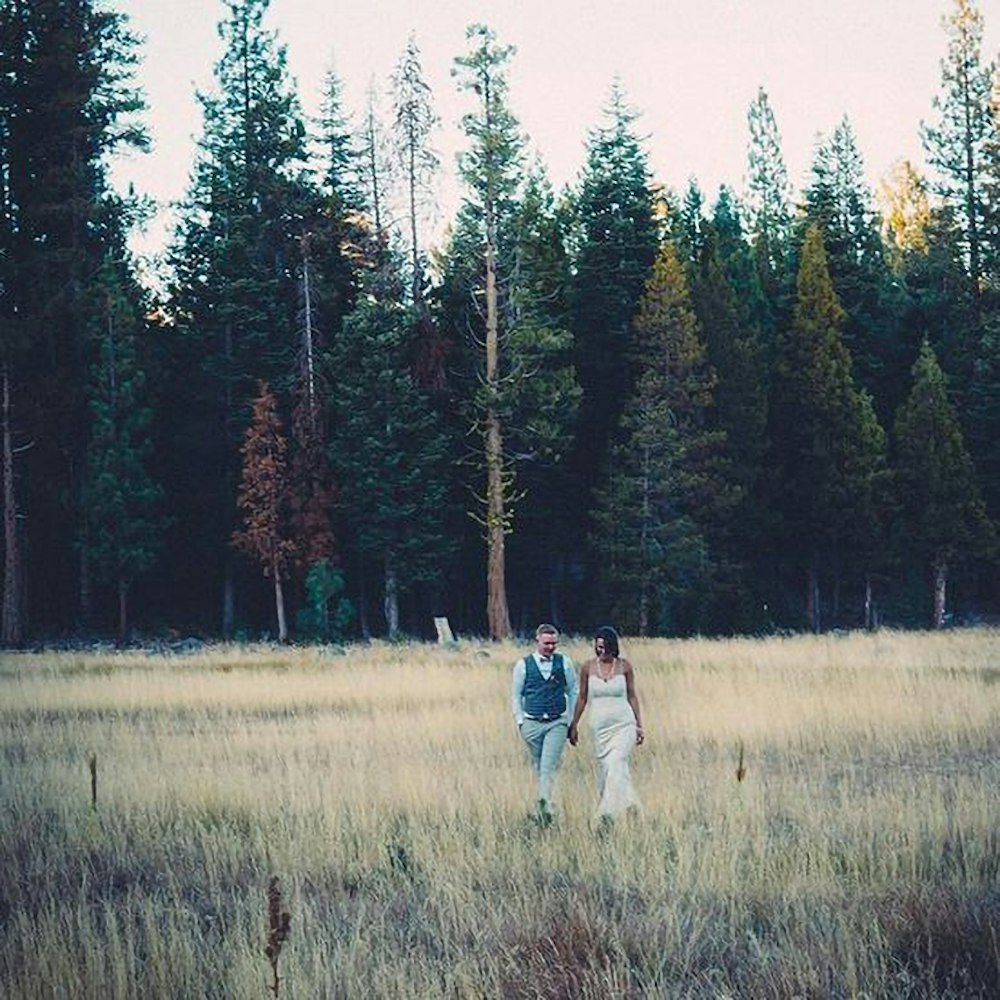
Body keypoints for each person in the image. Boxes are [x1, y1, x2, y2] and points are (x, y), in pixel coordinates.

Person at [568, 625, 644, 821]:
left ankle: (605, 813)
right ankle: (631, 806)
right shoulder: (588, 667)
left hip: (624, 724)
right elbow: (582, 697)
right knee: (609, 768)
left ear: (612, 646)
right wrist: (574, 723)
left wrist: (639, 724)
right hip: (599, 728)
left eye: (604, 647)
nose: (600, 650)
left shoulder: (624, 666)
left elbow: (632, 695)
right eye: (597, 647)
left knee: (616, 761)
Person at [511, 623, 578, 825]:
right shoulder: (523, 665)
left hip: (557, 722)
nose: (550, 647)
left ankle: (544, 811)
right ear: (538, 641)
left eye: (554, 643)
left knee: (548, 766)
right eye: (547, 643)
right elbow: (516, 695)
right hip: (531, 722)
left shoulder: (564, 662)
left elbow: (572, 691)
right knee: (538, 766)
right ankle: (547, 804)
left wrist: (570, 720)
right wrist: (521, 722)